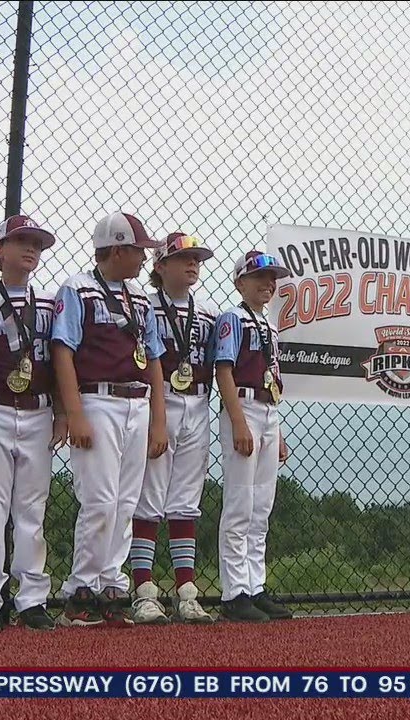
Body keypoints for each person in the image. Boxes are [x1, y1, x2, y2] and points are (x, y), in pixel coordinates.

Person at [51, 212, 168, 627]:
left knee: (124, 502)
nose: (143, 258)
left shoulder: (139, 298)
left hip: (137, 402)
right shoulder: (78, 289)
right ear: (117, 249)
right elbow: (62, 350)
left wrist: (158, 420)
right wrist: (74, 412)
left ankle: (111, 584)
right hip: (97, 398)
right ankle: (81, 588)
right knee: (99, 499)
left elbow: (153, 358)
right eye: (138, 250)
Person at [0, 215, 66, 631]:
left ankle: (31, 597)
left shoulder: (49, 304)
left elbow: (59, 364)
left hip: (39, 410)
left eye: (37, 244)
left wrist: (60, 412)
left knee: (31, 507)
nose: (30, 249)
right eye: (21, 241)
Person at [129, 233, 220, 624]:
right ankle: (144, 590)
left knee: (185, 498)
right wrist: (156, 416)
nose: (192, 264)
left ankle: (186, 591)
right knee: (149, 496)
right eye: (183, 257)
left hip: (198, 401)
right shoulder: (145, 308)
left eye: (197, 258)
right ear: (160, 265)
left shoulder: (210, 313)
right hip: (159, 397)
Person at [211, 251, 294, 622]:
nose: (267, 284)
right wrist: (238, 421)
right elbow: (224, 370)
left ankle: (255, 585)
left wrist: (278, 429)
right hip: (243, 407)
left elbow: (272, 376)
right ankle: (234, 592)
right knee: (240, 502)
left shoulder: (270, 326)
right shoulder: (233, 319)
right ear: (240, 282)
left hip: (268, 409)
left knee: (262, 505)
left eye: (272, 278)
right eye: (259, 277)